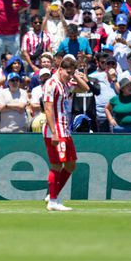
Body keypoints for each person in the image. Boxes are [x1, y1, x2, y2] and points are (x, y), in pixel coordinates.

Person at [42, 56, 89, 211]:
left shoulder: (64, 83)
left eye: (72, 73)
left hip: (65, 129)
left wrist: (75, 75)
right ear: (60, 69)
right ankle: (53, 201)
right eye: (68, 72)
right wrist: (54, 132)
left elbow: (85, 88)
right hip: (55, 130)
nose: (70, 76)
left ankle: (52, 194)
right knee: (56, 164)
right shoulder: (51, 84)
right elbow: (48, 108)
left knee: (70, 164)